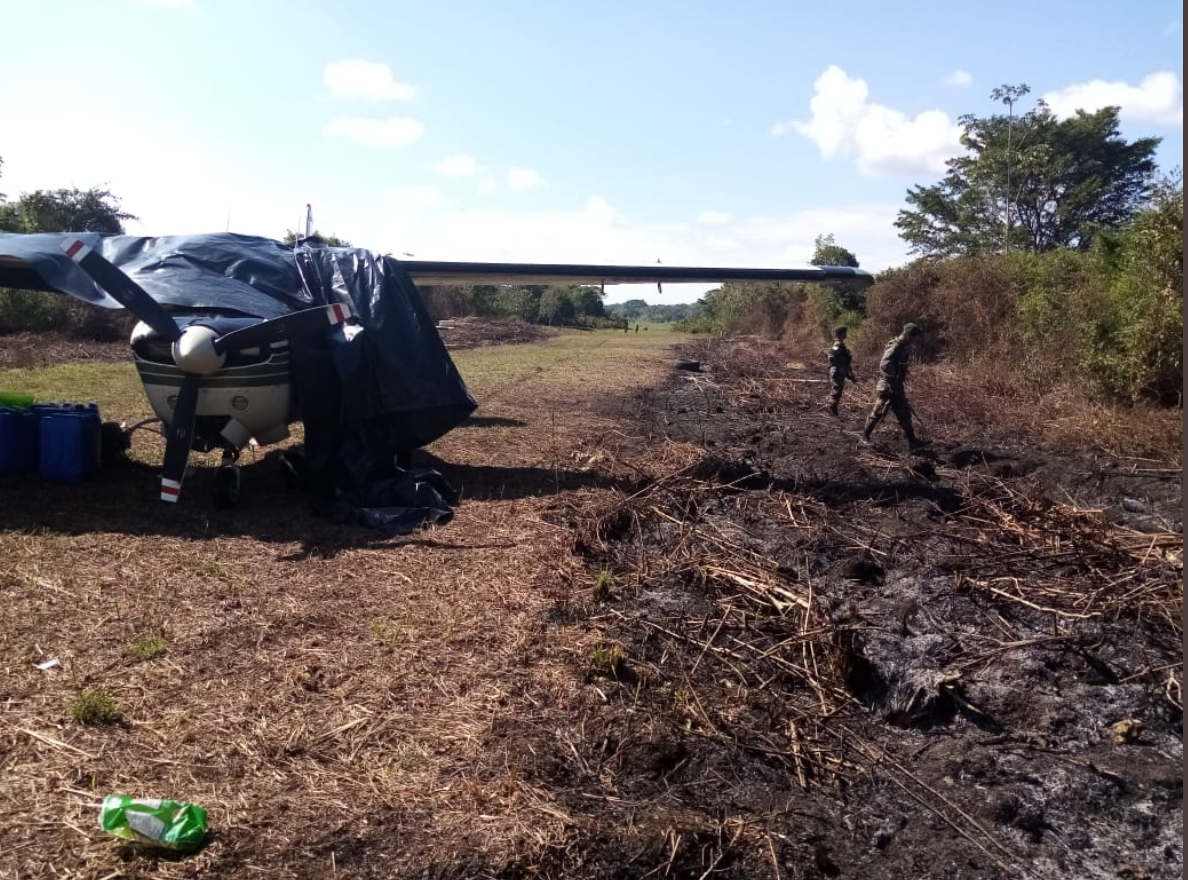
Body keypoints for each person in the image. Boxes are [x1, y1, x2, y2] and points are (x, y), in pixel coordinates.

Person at [862, 322, 924, 448]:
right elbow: (884, 365)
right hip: (888, 386)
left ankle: (913, 441)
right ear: (906, 334)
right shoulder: (895, 347)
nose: (913, 340)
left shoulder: (902, 347)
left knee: (904, 413)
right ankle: (864, 438)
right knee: (878, 412)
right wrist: (893, 380)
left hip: (897, 387)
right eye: (912, 337)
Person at [826, 326, 858, 416]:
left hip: (840, 370)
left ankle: (833, 408)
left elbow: (846, 361)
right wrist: (839, 365)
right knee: (836, 390)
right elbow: (831, 356)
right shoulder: (837, 345)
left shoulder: (841, 345)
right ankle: (832, 408)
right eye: (844, 333)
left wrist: (850, 374)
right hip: (837, 371)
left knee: (838, 390)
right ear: (840, 334)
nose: (846, 334)